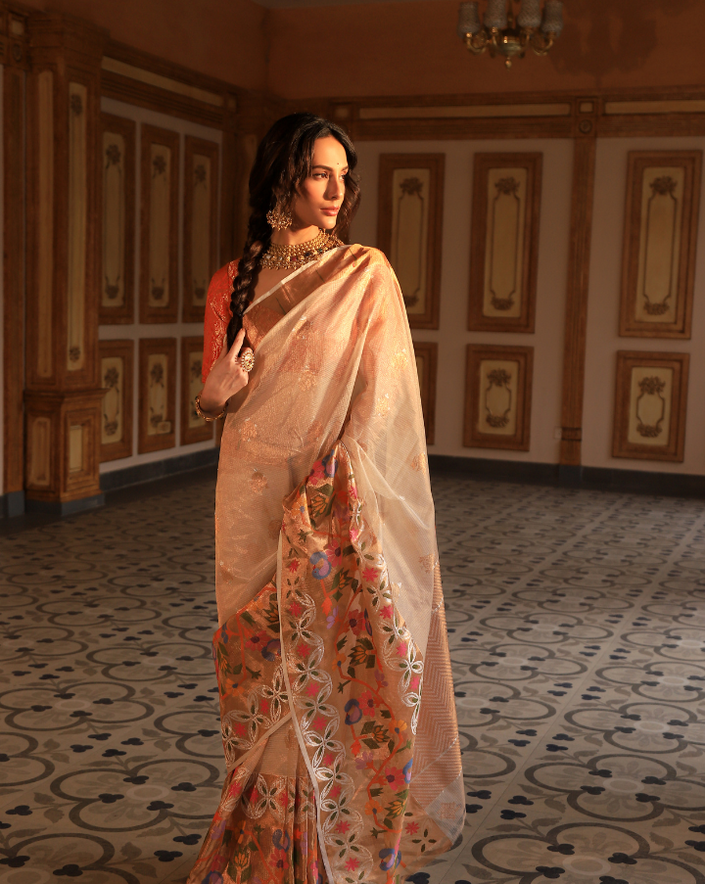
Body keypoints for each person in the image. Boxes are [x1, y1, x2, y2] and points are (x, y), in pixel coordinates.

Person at [187, 113, 463, 884]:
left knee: (330, 669)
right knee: (260, 672)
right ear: (283, 180)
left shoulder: (362, 275)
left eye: (344, 173)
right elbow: (217, 396)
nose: (338, 188)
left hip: (326, 504)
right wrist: (209, 397)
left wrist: (329, 489)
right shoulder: (230, 282)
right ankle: (263, 857)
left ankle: (319, 858)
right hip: (246, 501)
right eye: (319, 173)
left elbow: (383, 404)